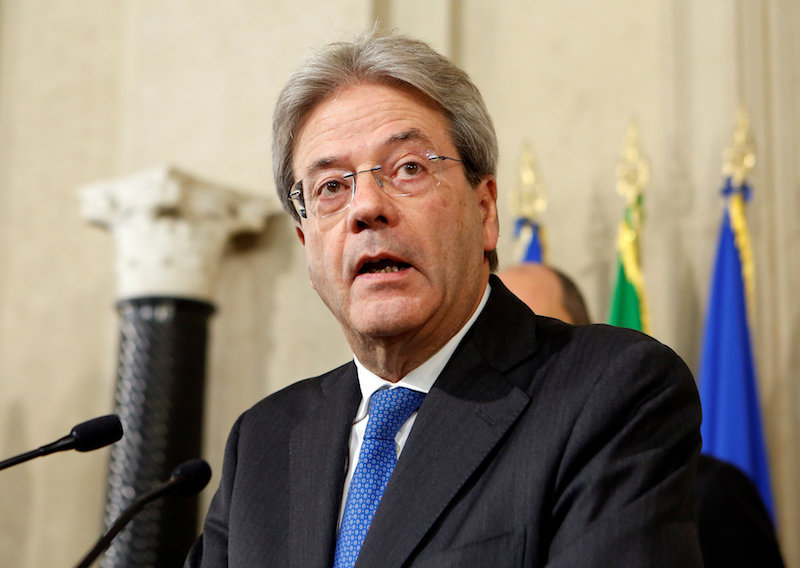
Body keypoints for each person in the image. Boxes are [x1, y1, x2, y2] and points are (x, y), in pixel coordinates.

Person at [186, 32, 703, 567]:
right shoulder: (264, 443)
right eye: (331, 187)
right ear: (306, 243)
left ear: (485, 211)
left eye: (408, 168)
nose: (365, 207)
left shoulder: (609, 389)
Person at [499, 261, 785, 568]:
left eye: (538, 337)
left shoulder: (712, 492)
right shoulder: (473, 496)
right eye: (499, 344)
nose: (516, 363)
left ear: (584, 344)